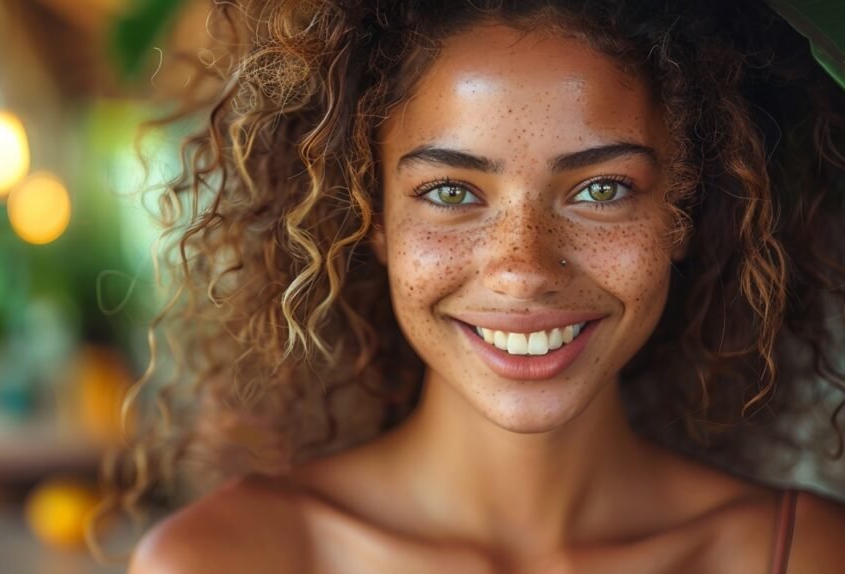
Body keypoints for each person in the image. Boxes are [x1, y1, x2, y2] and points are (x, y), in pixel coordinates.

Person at [117, 0, 845, 571]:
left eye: (600, 190)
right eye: (452, 193)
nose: (524, 270)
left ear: (683, 209)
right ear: (369, 214)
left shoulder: (806, 558)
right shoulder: (228, 563)